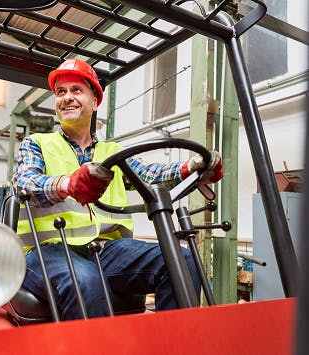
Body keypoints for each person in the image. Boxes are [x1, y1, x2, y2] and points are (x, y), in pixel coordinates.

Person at [12, 58, 223, 320]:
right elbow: (24, 182)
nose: (67, 98)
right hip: (49, 250)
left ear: (95, 101)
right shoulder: (36, 144)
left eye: (76, 90)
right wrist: (68, 184)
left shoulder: (112, 153)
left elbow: (149, 174)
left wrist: (193, 166)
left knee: (182, 261)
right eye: (60, 92)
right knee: (86, 281)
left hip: (108, 250)